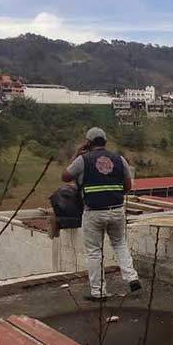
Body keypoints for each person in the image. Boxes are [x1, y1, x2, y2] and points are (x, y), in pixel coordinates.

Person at [62, 127, 141, 301]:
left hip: (94, 213)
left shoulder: (83, 160)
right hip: (117, 210)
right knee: (120, 244)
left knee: (94, 252)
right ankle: (132, 278)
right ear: (105, 142)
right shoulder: (120, 159)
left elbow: (66, 176)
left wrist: (76, 154)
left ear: (88, 143)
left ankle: (98, 292)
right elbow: (128, 186)